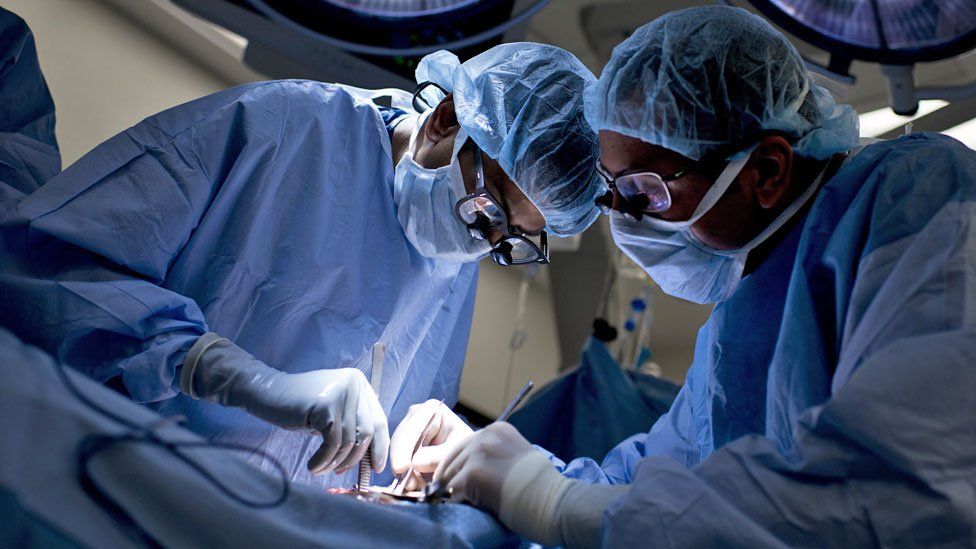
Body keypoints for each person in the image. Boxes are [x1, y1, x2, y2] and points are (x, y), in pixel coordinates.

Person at [389, 6, 976, 547]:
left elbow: (898, 494)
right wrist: (504, 466)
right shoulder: (741, 331)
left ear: (766, 170)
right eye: (613, 187)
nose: (622, 216)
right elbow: (656, 489)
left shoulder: (918, 200)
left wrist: (547, 500)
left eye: (644, 192)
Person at [0, 5, 603, 490]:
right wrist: (225, 372)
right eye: (489, 208)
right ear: (447, 118)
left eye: (510, 240)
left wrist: (407, 476)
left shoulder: (458, 251)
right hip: (95, 480)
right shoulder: (278, 128)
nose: (485, 240)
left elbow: (370, 447)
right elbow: (49, 272)